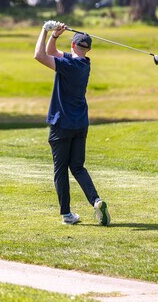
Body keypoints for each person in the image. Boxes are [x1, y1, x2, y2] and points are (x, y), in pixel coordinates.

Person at [34, 20, 110, 226]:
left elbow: (40, 55)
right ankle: (96, 201)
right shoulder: (84, 63)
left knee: (60, 170)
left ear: (74, 45)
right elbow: (53, 52)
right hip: (80, 124)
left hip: (62, 125)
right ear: (88, 49)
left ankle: (67, 214)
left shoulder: (69, 65)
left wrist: (44, 29)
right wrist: (55, 35)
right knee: (77, 167)